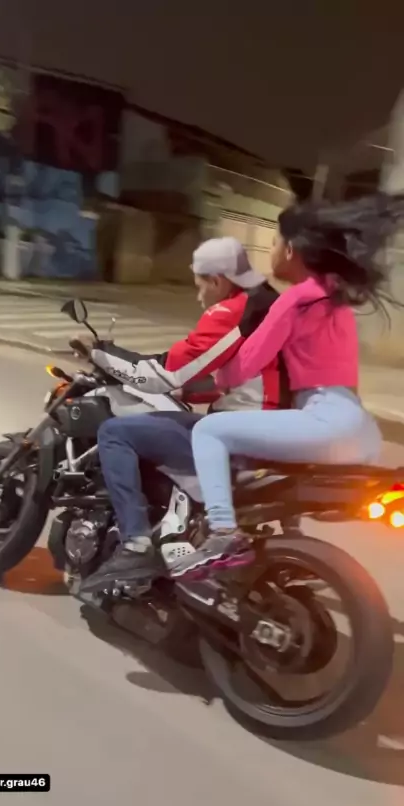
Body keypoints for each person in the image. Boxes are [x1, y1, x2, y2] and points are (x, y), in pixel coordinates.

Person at [165, 191, 404, 578]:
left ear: (290, 250)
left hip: (326, 422)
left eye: (275, 243)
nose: (271, 252)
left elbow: (243, 366)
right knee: (271, 462)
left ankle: (223, 533)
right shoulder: (336, 298)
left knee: (209, 431)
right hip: (362, 433)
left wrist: (195, 385)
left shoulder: (296, 300)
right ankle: (290, 546)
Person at [79, 237, 294, 594]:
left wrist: (101, 355)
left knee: (115, 433)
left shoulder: (233, 311)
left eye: (199, 286)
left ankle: (135, 545)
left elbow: (166, 373)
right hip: (284, 429)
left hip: (245, 434)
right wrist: (190, 392)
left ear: (218, 281)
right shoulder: (270, 304)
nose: (198, 296)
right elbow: (251, 377)